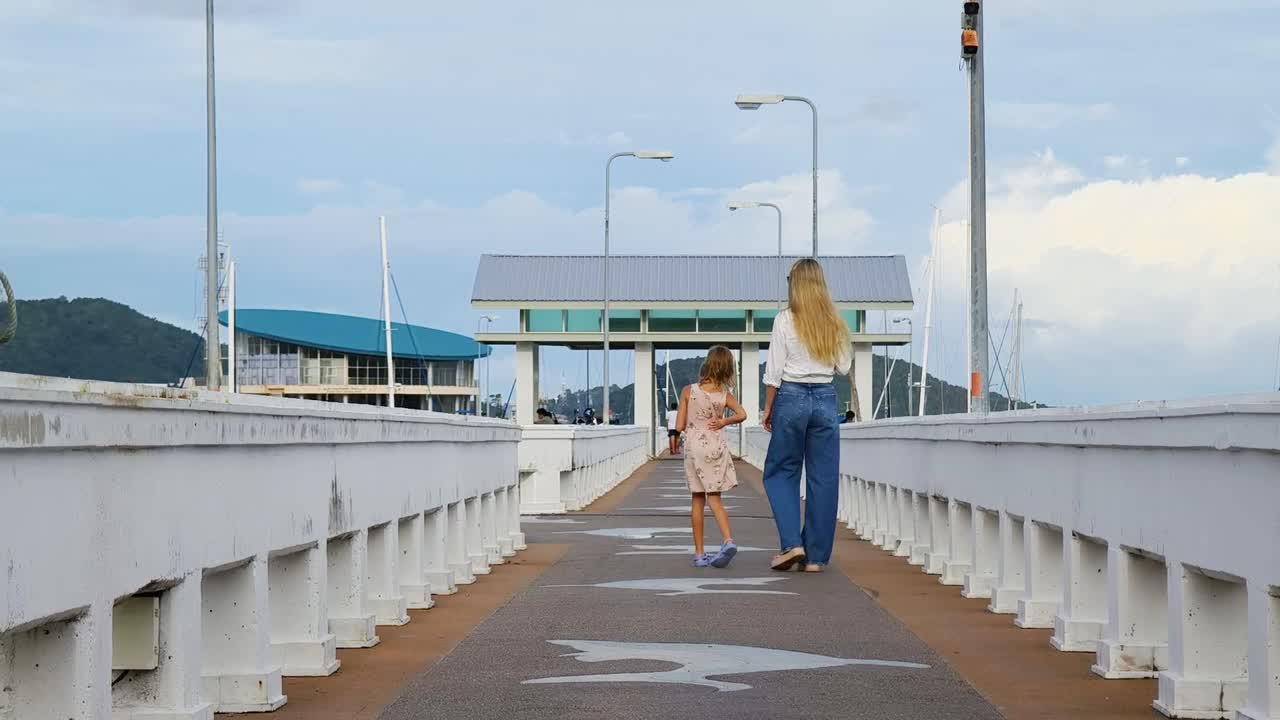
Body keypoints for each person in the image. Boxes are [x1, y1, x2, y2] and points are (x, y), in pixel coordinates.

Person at [762, 258, 852, 573]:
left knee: (780, 472)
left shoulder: (785, 320)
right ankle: (814, 558)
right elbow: (844, 366)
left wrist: (768, 408)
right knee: (823, 478)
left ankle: (792, 544)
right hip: (826, 398)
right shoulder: (833, 322)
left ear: (795, 285)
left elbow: (773, 372)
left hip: (791, 396)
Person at [676, 345, 746, 568]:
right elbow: (743, 414)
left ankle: (699, 554)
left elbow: (679, 426)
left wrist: (692, 426)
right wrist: (723, 421)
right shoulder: (725, 395)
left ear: (707, 364)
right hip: (716, 447)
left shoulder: (689, 390)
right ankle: (728, 540)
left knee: (697, 499)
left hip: (695, 449)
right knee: (714, 498)